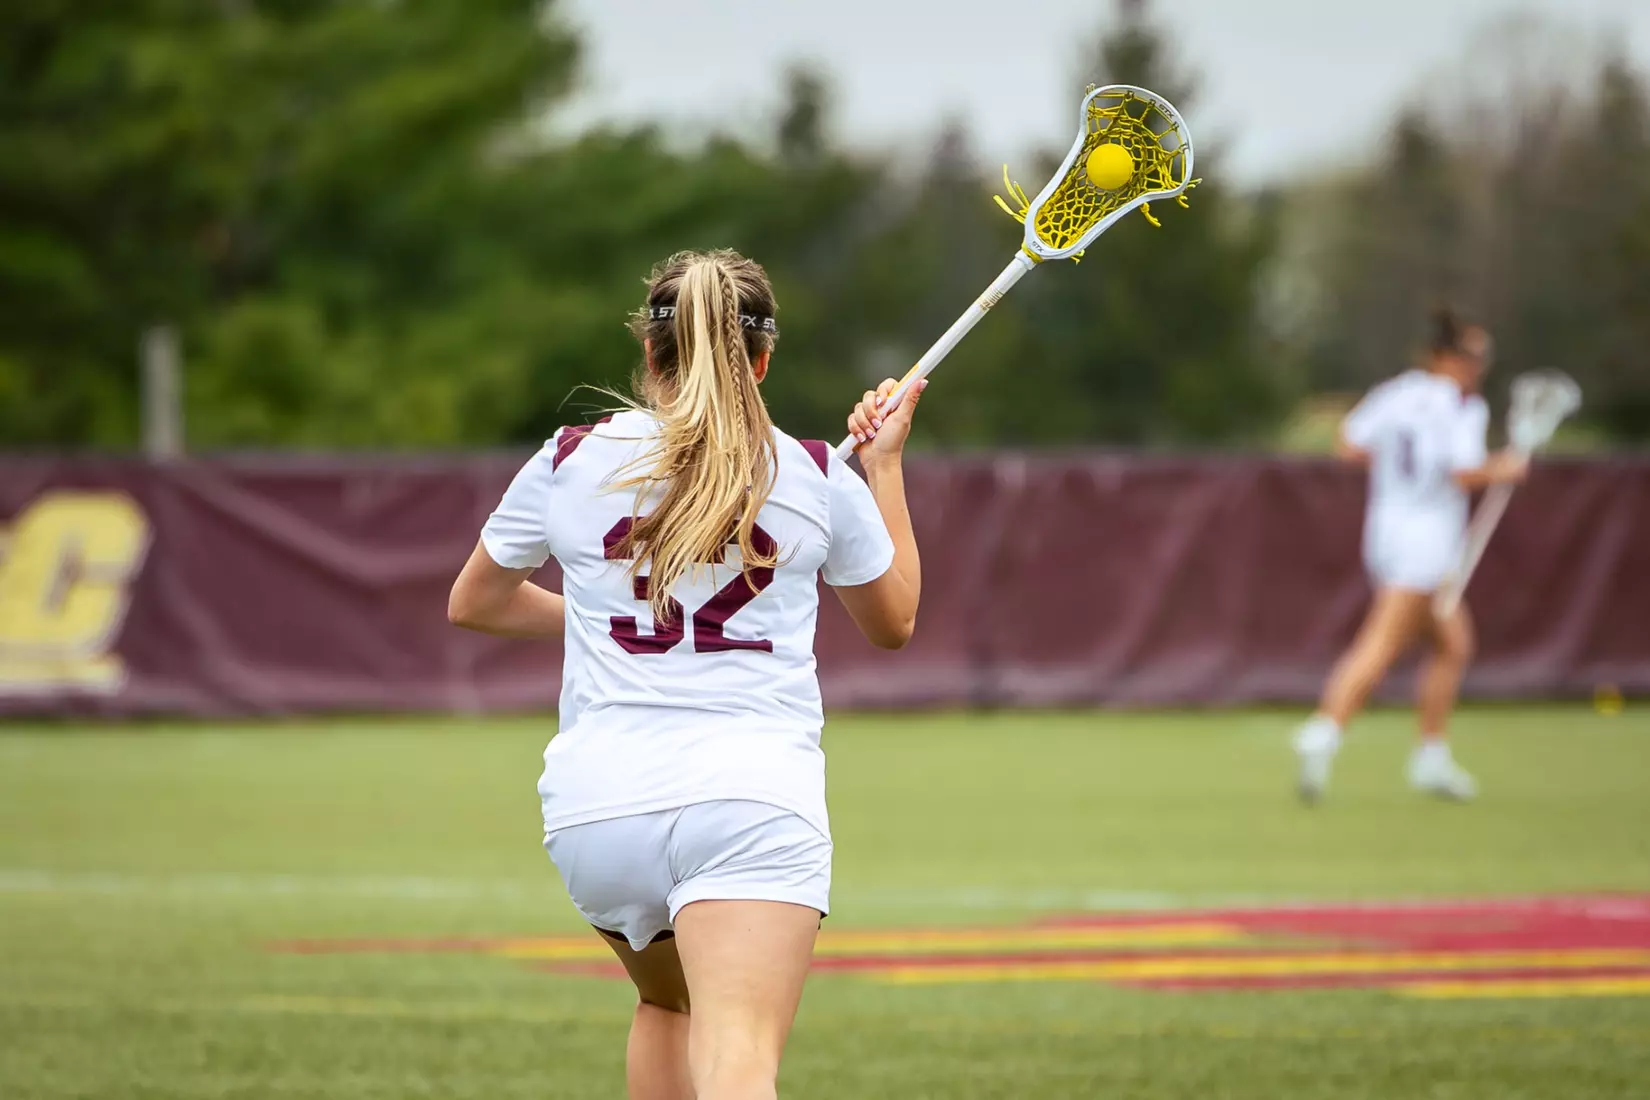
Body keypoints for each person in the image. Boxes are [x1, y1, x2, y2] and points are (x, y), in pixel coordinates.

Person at [447, 248, 923, 1100]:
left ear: (649, 351)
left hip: (599, 812)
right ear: (764, 360)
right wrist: (883, 467)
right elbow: (895, 622)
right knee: (737, 1055)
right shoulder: (815, 471)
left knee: (670, 1008)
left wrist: (605, 625)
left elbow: (476, 602)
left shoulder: (571, 455)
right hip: (748, 801)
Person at [1293, 308, 1527, 804]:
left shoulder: (1395, 393)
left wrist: (1403, 473)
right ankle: (1324, 731)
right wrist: (1503, 468)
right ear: (1444, 356)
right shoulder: (1463, 405)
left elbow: (1348, 446)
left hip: (1385, 531)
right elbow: (1462, 472)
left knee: (1453, 644)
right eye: (1472, 355)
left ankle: (1430, 756)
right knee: (1382, 642)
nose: (1479, 365)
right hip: (1425, 539)